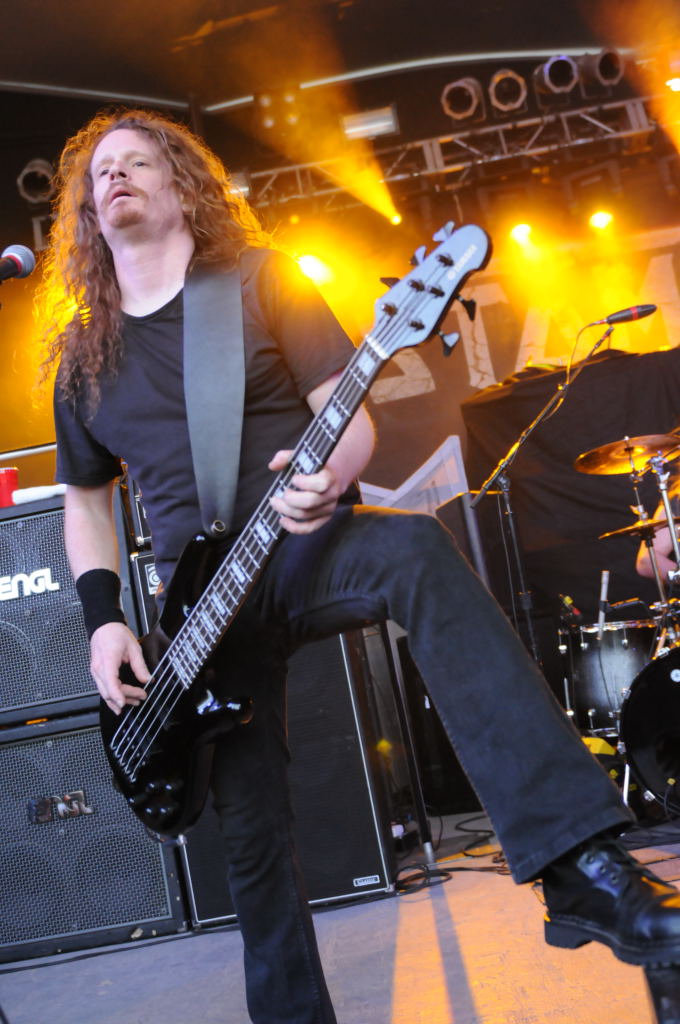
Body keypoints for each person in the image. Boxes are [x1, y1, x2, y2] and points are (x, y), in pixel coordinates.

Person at [39, 107, 680, 1024]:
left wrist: (327, 479)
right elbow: (86, 503)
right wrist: (104, 621)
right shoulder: (84, 356)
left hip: (299, 542)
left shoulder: (258, 281)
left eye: (140, 161)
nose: (116, 175)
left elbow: (350, 418)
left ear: (184, 188)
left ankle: (578, 864)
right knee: (255, 841)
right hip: (197, 614)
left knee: (413, 547)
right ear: (85, 213)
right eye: (101, 170)